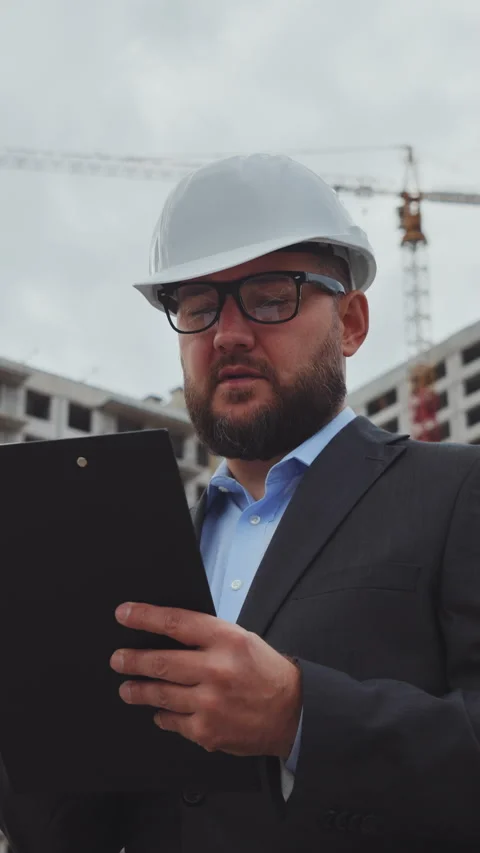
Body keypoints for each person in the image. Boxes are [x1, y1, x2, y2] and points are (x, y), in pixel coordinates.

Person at [1, 153, 480, 852]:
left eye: (269, 294)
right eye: (197, 304)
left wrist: (299, 713)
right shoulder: (140, 557)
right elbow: (76, 829)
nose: (227, 332)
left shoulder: (457, 491)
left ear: (350, 321)